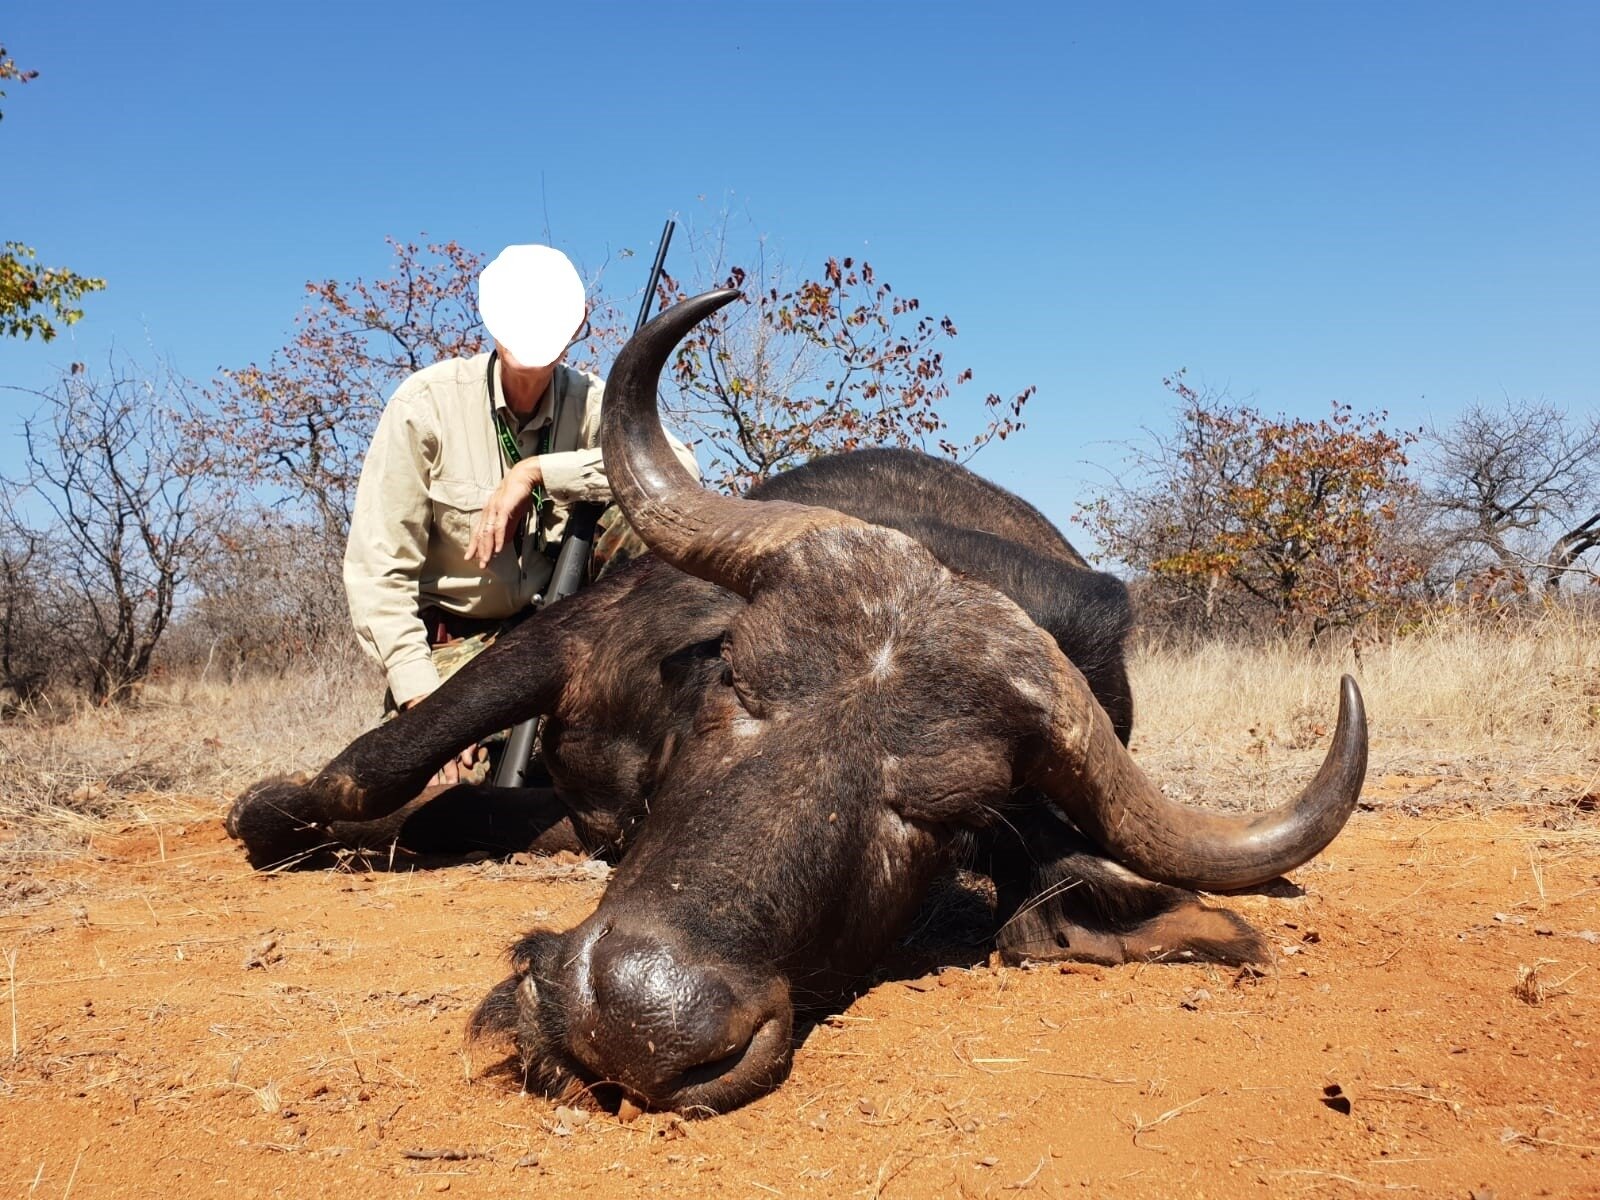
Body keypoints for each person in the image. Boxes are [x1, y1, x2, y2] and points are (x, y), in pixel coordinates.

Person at [343, 244, 698, 782]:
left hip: (569, 634)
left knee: (647, 523)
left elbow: (680, 470)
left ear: (577, 325)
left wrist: (535, 472)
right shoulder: (425, 405)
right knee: (442, 794)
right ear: (488, 317)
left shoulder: (593, 400)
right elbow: (379, 573)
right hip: (459, 644)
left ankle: (643, 702)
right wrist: (426, 704)